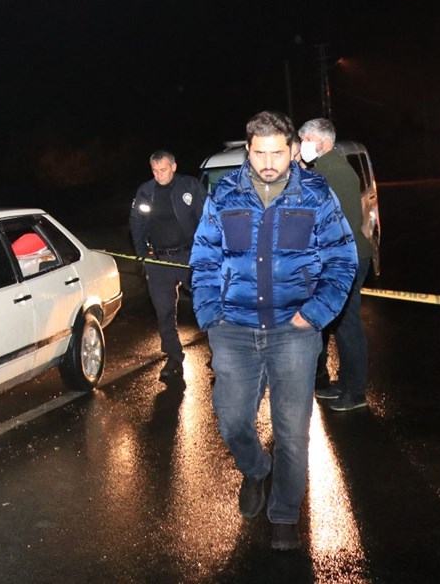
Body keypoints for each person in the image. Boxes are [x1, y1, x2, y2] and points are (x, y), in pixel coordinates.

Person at [190, 111, 356, 551]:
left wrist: (316, 313)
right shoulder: (224, 194)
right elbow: (204, 258)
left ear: (292, 150)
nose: (268, 161)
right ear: (248, 150)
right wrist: (211, 314)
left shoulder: (317, 195)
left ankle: (284, 512)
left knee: (292, 431)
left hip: (294, 332)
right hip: (234, 330)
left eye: (276, 152)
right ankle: (257, 469)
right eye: (259, 152)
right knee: (231, 421)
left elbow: (343, 258)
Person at [299, 118, 374, 411]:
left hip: (347, 259)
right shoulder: (325, 168)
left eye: (306, 139)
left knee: (348, 325)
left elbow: (336, 223)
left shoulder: (334, 172)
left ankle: (356, 393)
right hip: (340, 258)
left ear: (324, 142)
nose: (303, 144)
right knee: (341, 324)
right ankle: (345, 383)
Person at [129, 150, 207, 381]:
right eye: (154, 170)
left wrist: (204, 254)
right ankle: (173, 357)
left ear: (173, 166)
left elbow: (206, 220)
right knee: (164, 311)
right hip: (158, 260)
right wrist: (143, 255)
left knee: (205, 303)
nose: (159, 174)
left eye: (163, 169)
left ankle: (220, 352)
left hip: (188, 256)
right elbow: (136, 223)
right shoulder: (146, 191)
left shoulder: (189, 187)